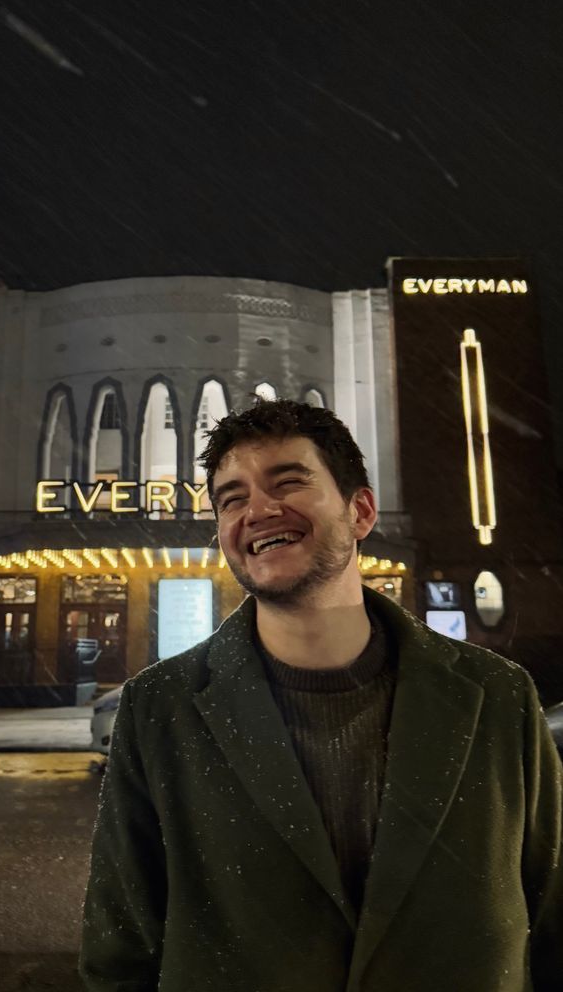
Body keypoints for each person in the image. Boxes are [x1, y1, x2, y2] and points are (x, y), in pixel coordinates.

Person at [79, 399, 563, 992]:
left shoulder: (498, 696)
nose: (257, 509)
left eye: (289, 482)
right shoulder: (158, 708)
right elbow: (120, 950)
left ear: (360, 511)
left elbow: (551, 914)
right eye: (232, 498)